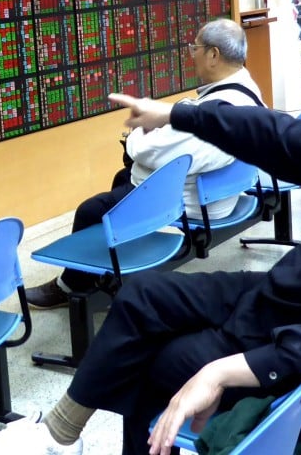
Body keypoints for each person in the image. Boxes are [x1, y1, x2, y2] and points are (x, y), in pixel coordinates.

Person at [0, 38, 301, 455]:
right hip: (279, 294)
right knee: (142, 298)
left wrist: (225, 371)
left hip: (295, 330)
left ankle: (87, 437)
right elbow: (273, 133)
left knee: (161, 365)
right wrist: (177, 115)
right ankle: (60, 433)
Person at [26, 19, 264, 309]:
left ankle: (70, 286)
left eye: (195, 48)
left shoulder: (217, 112)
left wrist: (137, 133)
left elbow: (148, 152)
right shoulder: (247, 92)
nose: (192, 54)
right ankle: (108, 267)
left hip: (197, 205)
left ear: (213, 55)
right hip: (219, 190)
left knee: (90, 210)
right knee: (122, 177)